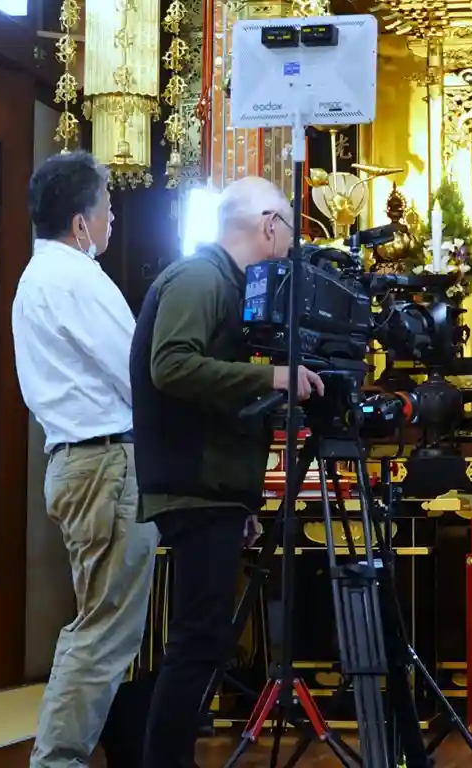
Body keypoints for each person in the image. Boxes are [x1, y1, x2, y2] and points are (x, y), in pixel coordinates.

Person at [133, 176, 324, 767]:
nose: (289, 248)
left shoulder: (225, 284)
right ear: (269, 226)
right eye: (289, 230)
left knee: (206, 639)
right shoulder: (200, 277)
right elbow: (171, 365)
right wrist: (272, 377)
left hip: (210, 488)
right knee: (197, 642)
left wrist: (241, 500)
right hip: (193, 485)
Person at [14, 150, 159, 767]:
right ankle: (58, 761)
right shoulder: (77, 278)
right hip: (105, 465)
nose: (112, 219)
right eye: (107, 208)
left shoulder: (36, 278)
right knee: (103, 631)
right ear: (80, 223)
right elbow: (140, 376)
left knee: (102, 625)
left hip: (79, 463)